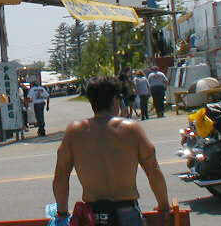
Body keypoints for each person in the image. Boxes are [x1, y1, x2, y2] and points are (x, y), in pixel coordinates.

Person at [52, 76, 169, 225]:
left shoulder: (75, 132)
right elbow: (153, 170)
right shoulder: (131, 129)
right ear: (115, 100)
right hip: (127, 212)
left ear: (91, 101)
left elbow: (61, 176)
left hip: (93, 216)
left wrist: (62, 213)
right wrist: (164, 206)